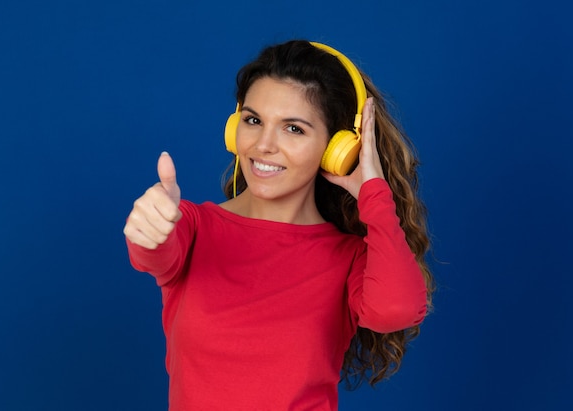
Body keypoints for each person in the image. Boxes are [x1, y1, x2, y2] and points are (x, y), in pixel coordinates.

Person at [123, 39, 434, 410]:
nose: (264, 145)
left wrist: (374, 193)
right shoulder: (193, 226)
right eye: (254, 121)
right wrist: (150, 225)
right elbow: (152, 251)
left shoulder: (349, 258)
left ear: (337, 149)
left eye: (294, 129)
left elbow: (395, 310)